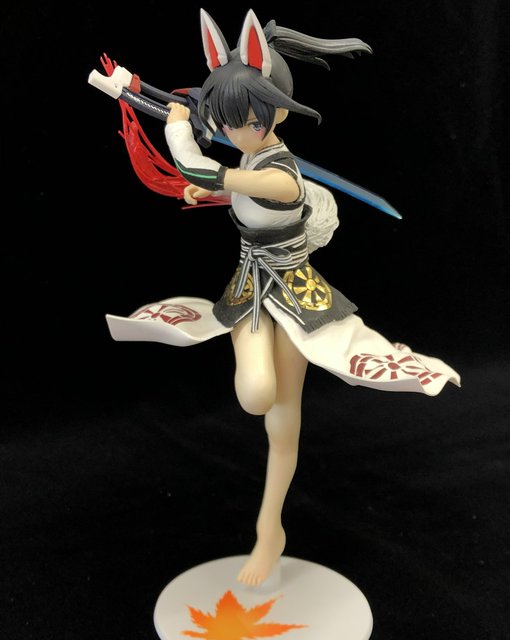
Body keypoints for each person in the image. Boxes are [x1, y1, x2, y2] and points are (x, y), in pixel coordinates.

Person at [93, 9, 461, 587]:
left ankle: (270, 530)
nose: (235, 132)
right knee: (255, 394)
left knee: (282, 421)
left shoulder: (282, 176)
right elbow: (218, 181)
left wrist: (189, 141)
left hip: (297, 294)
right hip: (250, 291)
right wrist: (191, 152)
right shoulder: (250, 156)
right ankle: (268, 525)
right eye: (227, 120)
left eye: (245, 121)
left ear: (277, 112)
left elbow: (210, 172)